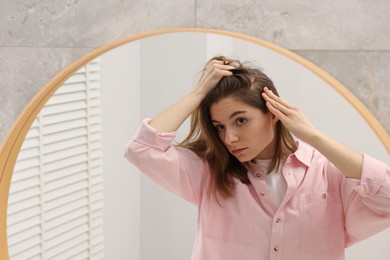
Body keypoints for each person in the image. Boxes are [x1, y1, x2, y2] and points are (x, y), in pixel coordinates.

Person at [124, 56, 390, 260]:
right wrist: (199, 93)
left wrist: (313, 135)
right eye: (220, 126)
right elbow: (142, 150)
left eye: (241, 120)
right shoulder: (208, 172)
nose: (229, 138)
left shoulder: (328, 173)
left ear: (273, 114)